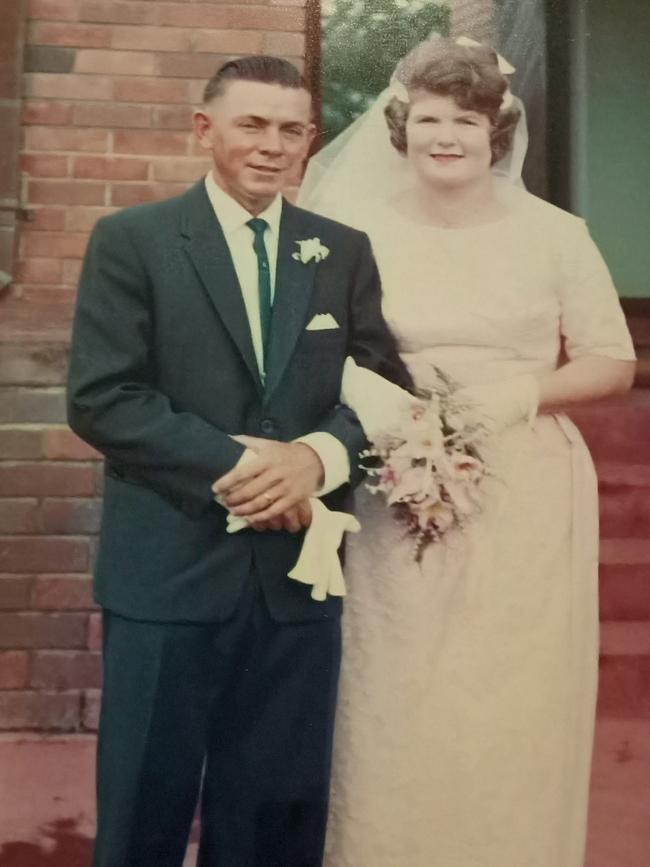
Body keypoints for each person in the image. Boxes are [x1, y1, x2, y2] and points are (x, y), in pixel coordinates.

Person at [298, 38, 636, 866]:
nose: (445, 135)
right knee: (395, 682)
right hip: (393, 479)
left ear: (499, 131)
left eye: (466, 120)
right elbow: (314, 344)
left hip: (524, 483)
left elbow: (612, 360)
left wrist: (513, 396)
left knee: (504, 689)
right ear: (400, 126)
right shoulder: (352, 233)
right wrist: (387, 411)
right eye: (428, 118)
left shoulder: (556, 233)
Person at [67, 55, 410, 867]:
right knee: (144, 807)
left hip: (295, 582)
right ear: (205, 129)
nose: (272, 145)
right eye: (251, 124)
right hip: (169, 574)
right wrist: (248, 468)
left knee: (274, 817)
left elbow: (384, 385)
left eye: (292, 130)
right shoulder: (134, 242)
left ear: (310, 143)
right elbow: (104, 397)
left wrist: (318, 459)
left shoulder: (340, 251)